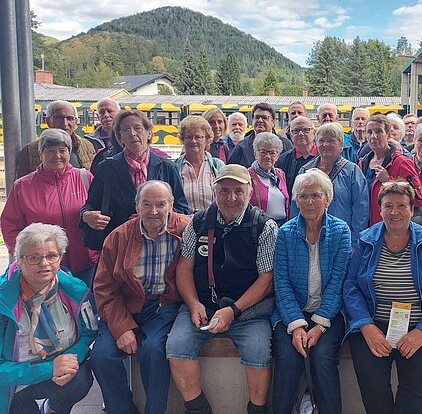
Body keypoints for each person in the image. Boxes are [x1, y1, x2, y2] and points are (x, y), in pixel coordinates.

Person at [166, 165, 279, 414]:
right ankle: (198, 409)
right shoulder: (198, 222)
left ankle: (257, 410)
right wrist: (193, 304)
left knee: (259, 352)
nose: (231, 198)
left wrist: (233, 311)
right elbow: (184, 267)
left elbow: (266, 280)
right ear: (214, 191)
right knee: (177, 347)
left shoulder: (264, 226)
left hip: (248, 310)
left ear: (249, 192)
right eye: (224, 191)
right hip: (203, 305)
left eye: (238, 191)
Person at [343, 181, 422, 414]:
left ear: (412, 210)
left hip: (421, 326)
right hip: (374, 324)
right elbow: (351, 286)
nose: (394, 212)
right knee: (374, 393)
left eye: (401, 206)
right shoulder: (366, 240)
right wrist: (366, 326)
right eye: (388, 206)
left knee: (413, 397)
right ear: (380, 209)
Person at [91, 181, 190, 414]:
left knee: (153, 350)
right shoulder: (118, 237)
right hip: (125, 305)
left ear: (171, 205)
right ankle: (122, 409)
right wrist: (121, 327)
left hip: (163, 306)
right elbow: (104, 288)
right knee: (102, 356)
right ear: (137, 206)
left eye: (160, 204)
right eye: (146, 204)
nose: (153, 211)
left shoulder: (186, 230)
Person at [271, 169, 351, 414]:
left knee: (322, 357)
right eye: (303, 196)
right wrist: (296, 326)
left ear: (327, 199)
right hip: (291, 312)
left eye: (316, 195)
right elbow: (281, 282)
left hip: (329, 313)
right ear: (296, 201)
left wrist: (319, 326)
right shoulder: (285, 233)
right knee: (287, 357)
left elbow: (338, 282)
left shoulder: (341, 231)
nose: (309, 202)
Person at [0, 223, 97, 414]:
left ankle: (54, 409)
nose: (44, 263)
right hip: (13, 384)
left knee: (80, 380)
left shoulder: (76, 291)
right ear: (19, 260)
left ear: (60, 257)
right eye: (34, 257)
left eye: (51, 256)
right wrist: (49, 369)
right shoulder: (4, 302)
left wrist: (70, 361)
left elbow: (89, 332)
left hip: (56, 373)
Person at [80, 109, 189, 250]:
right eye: (126, 130)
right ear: (120, 138)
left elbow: (182, 208)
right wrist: (86, 215)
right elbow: (91, 204)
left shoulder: (167, 167)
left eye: (138, 128)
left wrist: (150, 216)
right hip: (120, 245)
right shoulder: (107, 168)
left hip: (160, 245)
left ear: (149, 133)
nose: (132, 133)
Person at [2, 129, 98, 288]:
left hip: (84, 264)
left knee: (83, 302)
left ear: (69, 153)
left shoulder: (85, 178)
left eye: (62, 150)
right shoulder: (23, 186)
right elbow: (10, 225)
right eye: (50, 151)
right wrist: (25, 257)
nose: (57, 155)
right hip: (42, 268)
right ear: (41, 154)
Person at [294, 122, 369, 248]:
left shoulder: (352, 172)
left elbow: (361, 211)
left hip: (342, 241)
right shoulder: (305, 171)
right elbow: (296, 205)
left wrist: (354, 243)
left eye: (331, 141)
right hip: (309, 240)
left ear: (341, 145)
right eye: (321, 141)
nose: (325, 145)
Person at [359, 114, 422, 225]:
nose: (374, 136)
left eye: (379, 131)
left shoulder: (401, 162)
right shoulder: (363, 163)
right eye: (369, 132)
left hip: (392, 226)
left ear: (388, 134)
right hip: (366, 227)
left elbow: (418, 198)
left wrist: (388, 181)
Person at [16, 100, 96, 179]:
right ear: (47, 121)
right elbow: (23, 183)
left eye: (70, 118)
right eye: (58, 118)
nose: (65, 123)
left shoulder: (87, 147)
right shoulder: (29, 151)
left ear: (76, 123)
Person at [175, 115, 225, 212]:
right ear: (182, 140)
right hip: (184, 220)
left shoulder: (218, 166)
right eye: (189, 137)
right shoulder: (175, 167)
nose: (193, 141)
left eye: (198, 137)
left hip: (212, 220)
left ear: (207, 140)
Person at [227, 103, 293, 167]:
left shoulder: (285, 144)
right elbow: (231, 170)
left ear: (273, 122)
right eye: (257, 117)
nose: (260, 120)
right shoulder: (241, 147)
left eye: (265, 117)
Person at [248, 133, 290, 225]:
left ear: (278, 156)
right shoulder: (248, 175)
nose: (268, 156)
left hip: (283, 225)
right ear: (255, 154)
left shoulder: (280, 174)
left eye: (272, 153)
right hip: (261, 227)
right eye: (263, 152)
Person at [275, 115, 318, 196]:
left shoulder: (324, 157)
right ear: (291, 135)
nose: (301, 134)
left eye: (305, 130)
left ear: (314, 133)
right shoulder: (282, 160)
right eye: (296, 130)